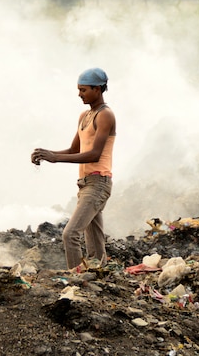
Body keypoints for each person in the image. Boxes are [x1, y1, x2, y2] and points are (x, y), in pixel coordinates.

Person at [31, 67, 116, 270]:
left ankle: (76, 281)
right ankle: (97, 274)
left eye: (84, 90)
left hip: (98, 182)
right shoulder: (85, 116)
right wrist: (47, 154)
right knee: (94, 238)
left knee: (71, 234)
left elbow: (95, 154)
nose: (79, 94)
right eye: (79, 89)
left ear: (98, 89)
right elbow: (74, 149)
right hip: (85, 183)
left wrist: (55, 158)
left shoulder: (105, 116)